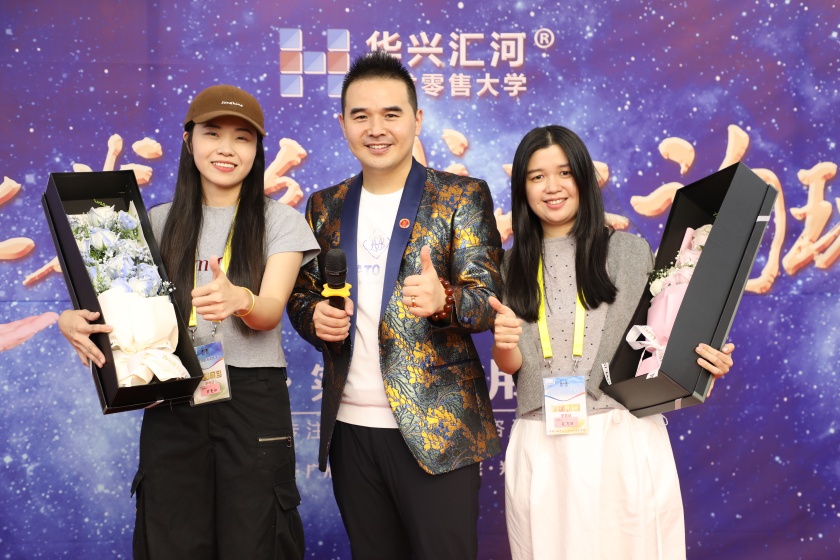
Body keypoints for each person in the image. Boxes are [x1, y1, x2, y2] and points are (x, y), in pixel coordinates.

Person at [57, 84, 319, 559]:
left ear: (258, 148)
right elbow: (117, 304)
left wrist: (241, 298)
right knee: (170, 537)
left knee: (257, 539)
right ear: (187, 139)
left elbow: (269, 311)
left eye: (242, 138)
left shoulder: (281, 220)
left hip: (253, 396)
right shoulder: (154, 222)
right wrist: (71, 320)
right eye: (212, 133)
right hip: (172, 395)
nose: (226, 148)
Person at [286, 51, 502, 560]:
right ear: (343, 124)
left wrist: (445, 299)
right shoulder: (324, 205)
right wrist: (313, 317)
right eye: (360, 115)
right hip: (350, 430)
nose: (376, 129)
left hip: (439, 430)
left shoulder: (461, 196)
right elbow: (300, 293)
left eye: (391, 114)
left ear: (417, 119)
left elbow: (488, 302)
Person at [489, 125, 735, 560]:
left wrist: (703, 359)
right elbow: (512, 364)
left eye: (565, 172)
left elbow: (660, 338)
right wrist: (504, 343)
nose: (552, 187)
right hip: (541, 439)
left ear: (584, 178)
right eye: (537, 176)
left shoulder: (629, 251)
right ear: (522, 188)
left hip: (620, 436)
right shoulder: (510, 265)